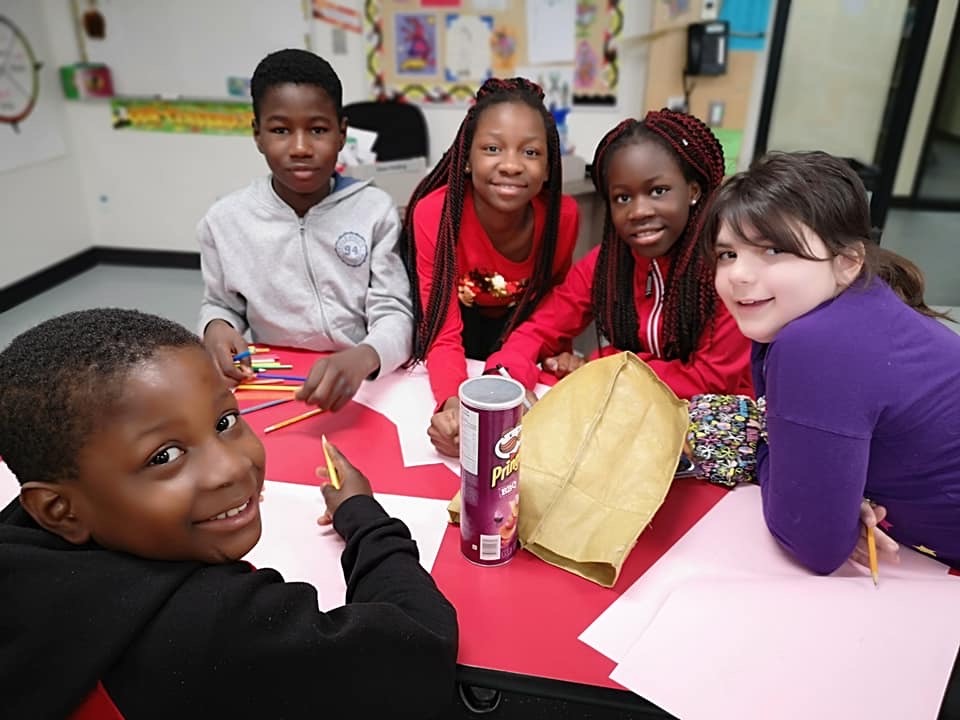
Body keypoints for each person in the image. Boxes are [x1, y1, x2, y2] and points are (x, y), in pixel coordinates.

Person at [0, 309, 458, 719]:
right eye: (164, 456)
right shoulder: (215, 632)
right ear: (59, 510)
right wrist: (365, 518)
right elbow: (420, 647)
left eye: (225, 422)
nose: (233, 467)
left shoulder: (24, 550)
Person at [706, 150, 960, 573]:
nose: (738, 275)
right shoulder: (857, 301)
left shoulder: (816, 343)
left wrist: (765, 446)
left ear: (847, 261)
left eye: (772, 250)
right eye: (727, 254)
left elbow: (815, 546)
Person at [199, 48, 413, 413]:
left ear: (342, 133)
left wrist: (364, 357)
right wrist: (215, 326)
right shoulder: (224, 221)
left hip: (362, 380)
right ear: (257, 134)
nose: (300, 148)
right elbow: (221, 304)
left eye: (317, 130)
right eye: (281, 130)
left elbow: (396, 313)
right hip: (273, 385)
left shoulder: (374, 210)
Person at [487, 109, 752, 401]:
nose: (639, 211)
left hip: (717, 429)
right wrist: (505, 382)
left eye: (658, 191)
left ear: (693, 191)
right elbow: (538, 330)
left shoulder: (727, 270)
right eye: (623, 198)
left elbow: (708, 381)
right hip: (633, 410)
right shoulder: (607, 265)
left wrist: (605, 366)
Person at [400, 77, 580, 457]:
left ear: (549, 167)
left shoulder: (563, 217)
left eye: (531, 153)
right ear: (465, 157)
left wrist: (552, 358)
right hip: (453, 338)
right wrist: (452, 405)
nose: (511, 165)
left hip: (521, 342)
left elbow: (553, 307)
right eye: (493, 148)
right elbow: (442, 331)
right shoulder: (435, 214)